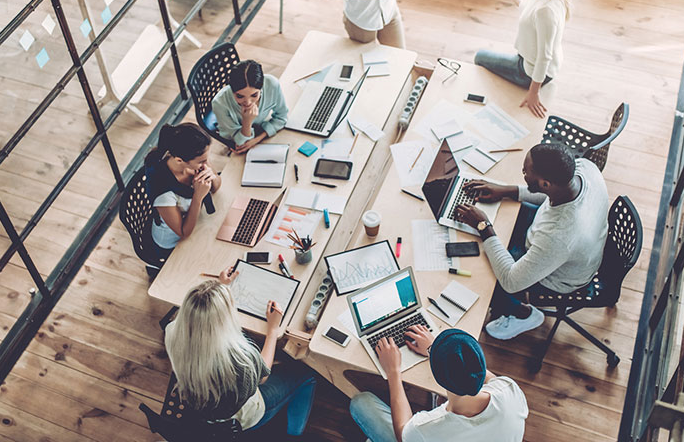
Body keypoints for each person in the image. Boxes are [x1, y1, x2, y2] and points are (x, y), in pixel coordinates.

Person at [455, 143, 610, 340]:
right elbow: (550, 197)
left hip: (559, 277)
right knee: (498, 231)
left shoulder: (560, 235)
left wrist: (483, 226)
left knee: (483, 274)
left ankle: (523, 314)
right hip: (554, 238)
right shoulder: (584, 168)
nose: (523, 173)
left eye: (526, 172)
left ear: (545, 184)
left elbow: (512, 282)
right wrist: (506, 190)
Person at [164, 268, 317, 435]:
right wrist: (273, 329)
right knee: (307, 374)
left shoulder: (172, 331)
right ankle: (295, 433)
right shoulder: (239, 360)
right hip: (242, 417)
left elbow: (201, 317)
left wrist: (219, 288)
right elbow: (263, 375)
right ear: (224, 319)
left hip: (200, 404)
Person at [350, 327, 527, 442]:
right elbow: (476, 370)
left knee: (361, 402)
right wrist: (436, 349)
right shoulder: (509, 390)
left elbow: (403, 433)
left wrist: (393, 372)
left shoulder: (428, 428)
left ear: (438, 376)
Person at [474, 0, 574, 117]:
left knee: (479, 57)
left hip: (528, 71)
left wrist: (533, 92)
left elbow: (544, 57)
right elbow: (529, 11)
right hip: (534, 61)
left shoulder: (547, 11)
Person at [143, 123, 221, 256]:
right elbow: (183, 232)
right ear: (179, 160)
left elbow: (216, 187)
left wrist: (210, 174)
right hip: (173, 243)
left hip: (197, 221)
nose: (206, 163)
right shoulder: (164, 193)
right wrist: (198, 196)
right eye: (202, 161)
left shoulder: (190, 161)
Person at [212, 59, 289, 153]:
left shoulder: (272, 84)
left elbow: (282, 117)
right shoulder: (219, 103)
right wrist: (247, 121)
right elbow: (242, 143)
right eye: (240, 96)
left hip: (258, 131)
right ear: (232, 90)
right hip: (234, 136)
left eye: (254, 95)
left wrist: (257, 139)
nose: (248, 102)